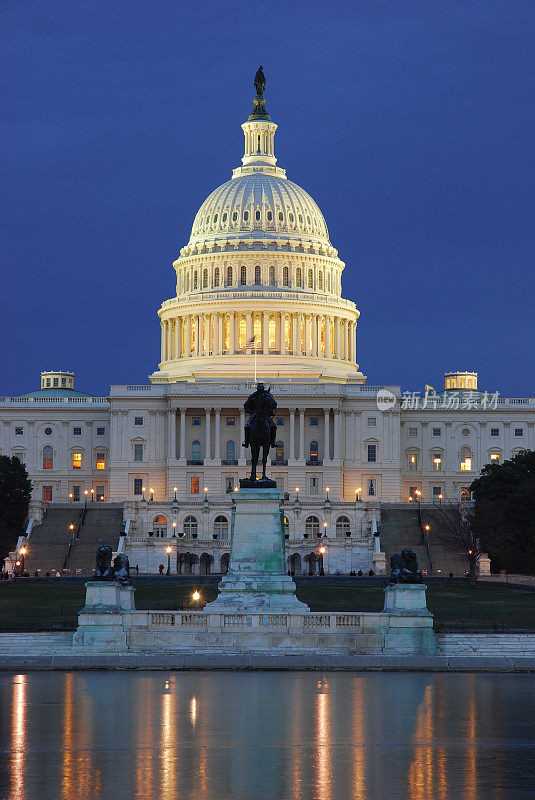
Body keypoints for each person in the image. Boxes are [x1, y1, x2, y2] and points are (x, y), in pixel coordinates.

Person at [242, 383, 277, 448]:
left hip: (265, 414)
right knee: (247, 426)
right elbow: (246, 405)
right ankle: (246, 442)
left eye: (261, 390)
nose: (260, 391)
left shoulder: (267, 395)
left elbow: (273, 403)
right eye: (259, 390)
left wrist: (271, 410)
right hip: (255, 413)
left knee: (273, 426)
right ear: (258, 389)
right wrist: (251, 412)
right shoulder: (253, 396)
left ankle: (273, 441)